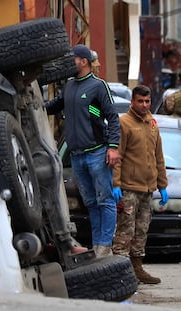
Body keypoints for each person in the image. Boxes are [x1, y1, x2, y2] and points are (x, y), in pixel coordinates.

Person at [45, 44, 121, 257]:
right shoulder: (69, 86)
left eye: (73, 59)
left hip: (98, 152)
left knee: (105, 200)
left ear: (83, 61)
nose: (70, 62)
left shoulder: (98, 86)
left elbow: (112, 117)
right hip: (77, 155)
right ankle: (97, 245)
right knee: (91, 203)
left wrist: (113, 147)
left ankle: (104, 246)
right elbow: (53, 106)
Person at [112, 85, 168, 284]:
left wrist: (162, 185)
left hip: (148, 188)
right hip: (128, 188)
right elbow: (117, 156)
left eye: (147, 101)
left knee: (142, 230)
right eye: (140, 101)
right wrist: (116, 184)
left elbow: (158, 156)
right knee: (125, 231)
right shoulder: (124, 123)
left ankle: (137, 269)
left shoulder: (153, 123)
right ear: (132, 102)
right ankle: (120, 271)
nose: (144, 105)